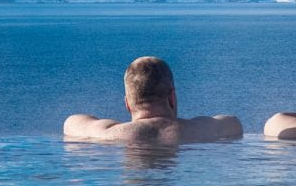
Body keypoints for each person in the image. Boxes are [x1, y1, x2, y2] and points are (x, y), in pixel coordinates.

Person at [64, 56, 243, 143]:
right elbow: (234, 122)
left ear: (127, 104)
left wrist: (114, 125)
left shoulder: (108, 134)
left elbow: (71, 122)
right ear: (172, 97)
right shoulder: (201, 130)